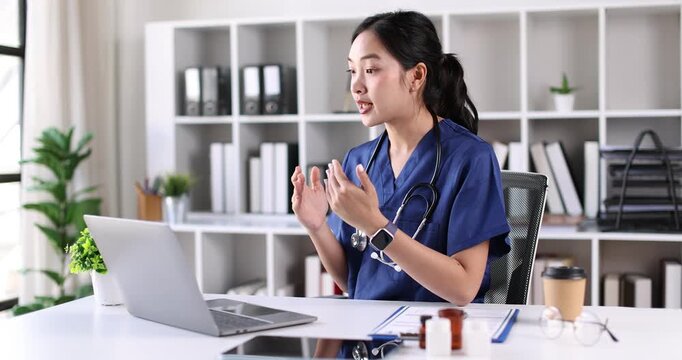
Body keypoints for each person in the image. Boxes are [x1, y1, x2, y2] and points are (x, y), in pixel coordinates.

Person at [291, 11, 511, 305]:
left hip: (433, 338)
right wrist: (316, 226)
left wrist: (376, 226)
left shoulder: (470, 158)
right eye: (352, 71)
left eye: (370, 70)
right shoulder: (359, 161)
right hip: (367, 336)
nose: (356, 86)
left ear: (416, 76)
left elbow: (463, 288)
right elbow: (352, 280)